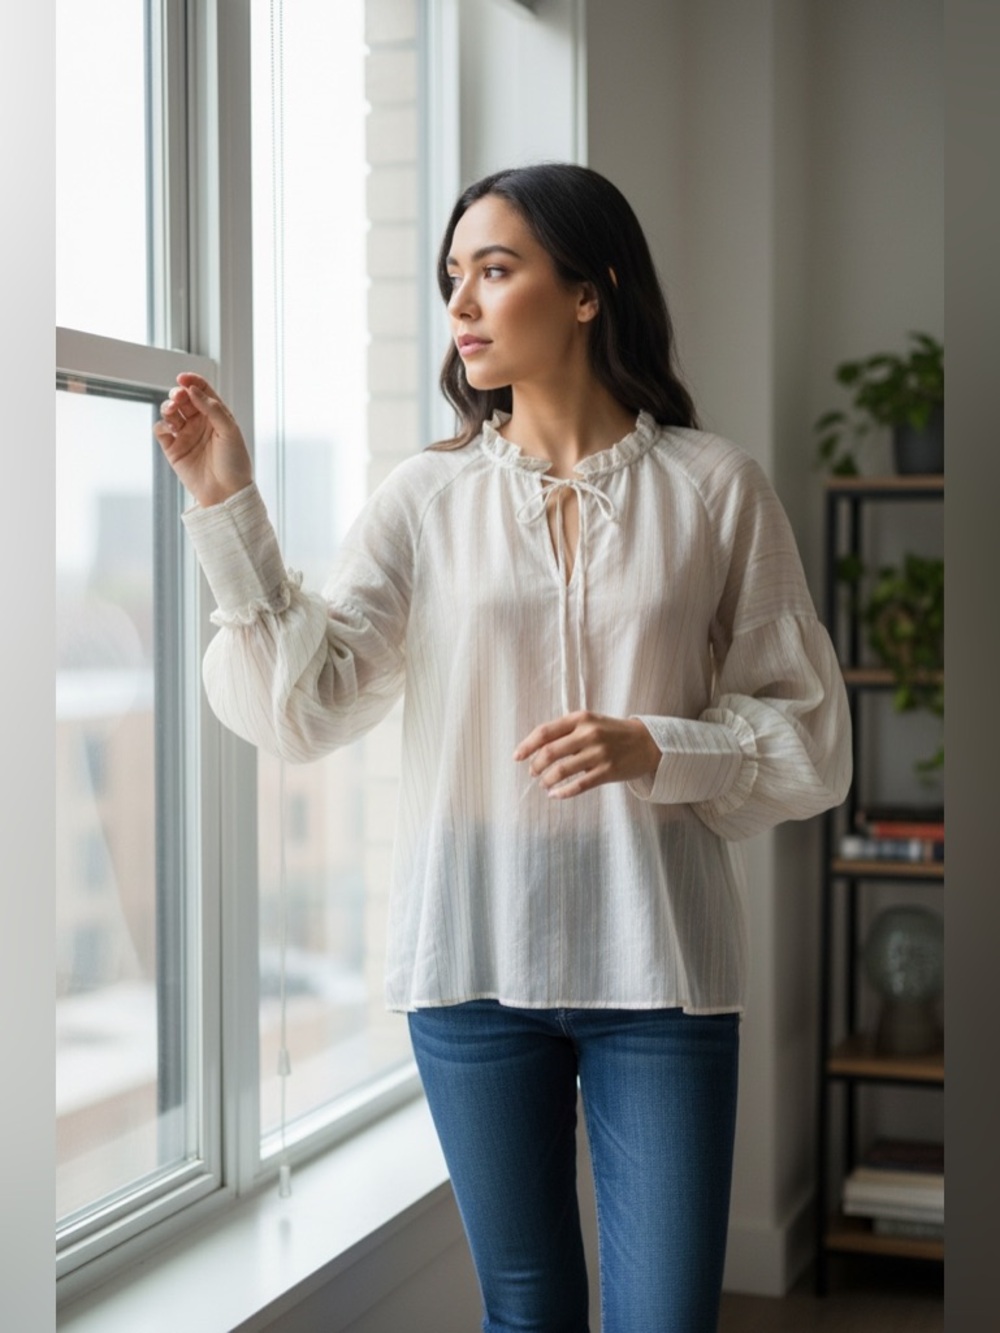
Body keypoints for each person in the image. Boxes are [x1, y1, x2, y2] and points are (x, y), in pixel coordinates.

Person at [155, 162, 852, 1333]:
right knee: (524, 1310)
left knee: (664, 1318)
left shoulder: (716, 488)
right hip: (470, 958)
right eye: (449, 279)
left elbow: (807, 738)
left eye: (495, 268)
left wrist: (655, 746)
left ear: (590, 290)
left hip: (661, 971)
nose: (461, 305)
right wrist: (227, 506)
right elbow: (307, 701)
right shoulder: (424, 497)